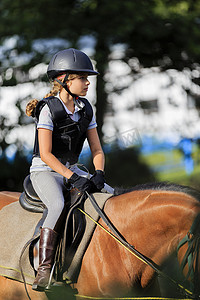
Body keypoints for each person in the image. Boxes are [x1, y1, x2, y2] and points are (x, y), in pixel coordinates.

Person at [26, 48, 114, 291]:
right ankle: (44, 270)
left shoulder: (85, 108)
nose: (87, 83)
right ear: (64, 80)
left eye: (87, 78)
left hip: (72, 170)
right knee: (57, 205)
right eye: (82, 78)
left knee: (112, 193)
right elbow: (45, 154)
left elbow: (97, 149)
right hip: (45, 171)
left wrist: (98, 174)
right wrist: (73, 177)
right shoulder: (48, 109)